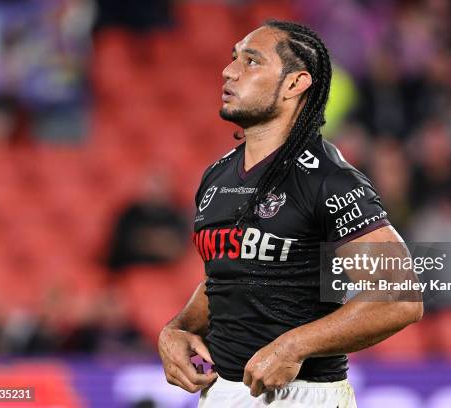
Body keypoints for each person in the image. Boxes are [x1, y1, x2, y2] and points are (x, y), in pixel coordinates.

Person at [158, 20, 423, 407]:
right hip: (220, 393)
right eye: (234, 59)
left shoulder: (331, 180)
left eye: (251, 62)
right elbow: (229, 275)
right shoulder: (217, 175)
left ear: (295, 84)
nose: (229, 70)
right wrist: (177, 328)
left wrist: (293, 346)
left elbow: (399, 296)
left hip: (301, 395)